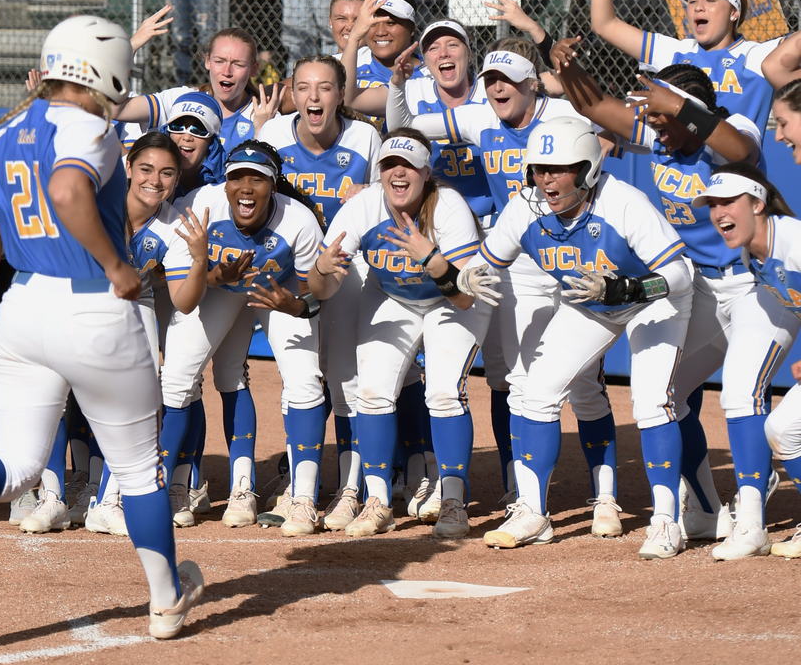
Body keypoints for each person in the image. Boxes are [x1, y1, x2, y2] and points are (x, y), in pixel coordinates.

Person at [0, 15, 205, 640]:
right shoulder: (90, 126)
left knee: (16, 467)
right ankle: (165, 601)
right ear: (100, 70)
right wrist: (115, 264)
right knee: (138, 472)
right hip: (93, 304)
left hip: (25, 302)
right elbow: (69, 188)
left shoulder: (6, 134)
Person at [552, 38, 799, 559]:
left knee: (740, 394)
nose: (655, 128)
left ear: (691, 112)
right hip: (700, 288)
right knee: (669, 395)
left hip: (753, 285)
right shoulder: (662, 135)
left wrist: (680, 108)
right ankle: (709, 510)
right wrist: (568, 64)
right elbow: (594, 105)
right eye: (655, 119)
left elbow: (739, 151)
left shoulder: (730, 131)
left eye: (664, 117)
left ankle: (751, 519)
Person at [389, 42, 623, 535]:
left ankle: (605, 495)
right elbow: (403, 126)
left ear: (532, 84)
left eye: (510, 80)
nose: (498, 86)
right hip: (513, 255)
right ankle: (522, 487)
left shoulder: (560, 112)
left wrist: (604, 139)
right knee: (511, 378)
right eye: (492, 78)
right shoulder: (478, 119)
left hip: (573, 254)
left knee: (583, 384)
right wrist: (395, 86)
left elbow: (610, 126)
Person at [458, 117, 695, 559]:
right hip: (594, 300)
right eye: (539, 169)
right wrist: (469, 274)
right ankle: (533, 511)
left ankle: (667, 519)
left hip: (654, 301)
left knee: (650, 403)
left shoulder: (623, 202)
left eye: (560, 168)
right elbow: (486, 260)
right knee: (533, 391)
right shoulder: (524, 207)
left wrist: (630, 288)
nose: (546, 179)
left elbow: (680, 274)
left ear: (587, 169)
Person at [309, 129, 492, 539]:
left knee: (443, 392)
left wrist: (429, 257)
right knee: (371, 393)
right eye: (390, 164)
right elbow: (319, 289)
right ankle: (377, 502)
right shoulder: (365, 206)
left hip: (456, 296)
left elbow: (464, 299)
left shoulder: (449, 207)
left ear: (426, 173)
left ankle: (453, 499)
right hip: (393, 291)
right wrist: (321, 269)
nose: (397, 173)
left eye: (408, 165)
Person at [159, 141, 328, 536]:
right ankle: (188, 488)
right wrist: (219, 276)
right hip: (219, 287)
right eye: (237, 177)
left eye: (258, 178)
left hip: (278, 292)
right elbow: (186, 291)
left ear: (274, 185)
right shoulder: (201, 204)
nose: (246, 187)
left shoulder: (298, 220)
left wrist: (295, 304)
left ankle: (303, 497)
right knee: (180, 376)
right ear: (225, 181)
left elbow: (313, 297)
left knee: (303, 381)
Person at [255, 55, 381, 530]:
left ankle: (352, 490)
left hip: (349, 267)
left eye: (325, 88)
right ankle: (299, 489)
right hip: (294, 268)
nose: (314, 97)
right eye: (304, 87)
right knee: (300, 380)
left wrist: (370, 191)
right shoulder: (273, 136)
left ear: (340, 94)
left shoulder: (365, 136)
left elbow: (386, 193)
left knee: (346, 381)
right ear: (291, 91)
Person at [86, 132, 211, 536]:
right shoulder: (96, 202)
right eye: (146, 169)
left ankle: (108, 500)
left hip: (133, 304)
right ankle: (53, 489)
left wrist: (198, 260)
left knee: (139, 394)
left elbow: (185, 301)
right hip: (78, 298)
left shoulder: (174, 224)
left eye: (167, 173)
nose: (155, 180)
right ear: (127, 167)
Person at [694, 162, 801, 559]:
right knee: (784, 427)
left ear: (757, 204)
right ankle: (750, 523)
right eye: (713, 204)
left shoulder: (793, 242)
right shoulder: (752, 251)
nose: (720, 212)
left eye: (729, 202)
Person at [591, 0, 786, 131]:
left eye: (710, 0)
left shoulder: (757, 56)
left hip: (736, 162)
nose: (698, 7)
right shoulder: (676, 52)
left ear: (734, 13)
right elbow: (605, 24)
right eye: (692, 0)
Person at [117, 20, 274, 155]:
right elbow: (112, 108)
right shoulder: (181, 100)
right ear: (207, 61)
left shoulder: (263, 115)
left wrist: (262, 131)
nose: (227, 72)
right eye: (219, 61)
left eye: (238, 64)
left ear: (254, 69)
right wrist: (131, 46)